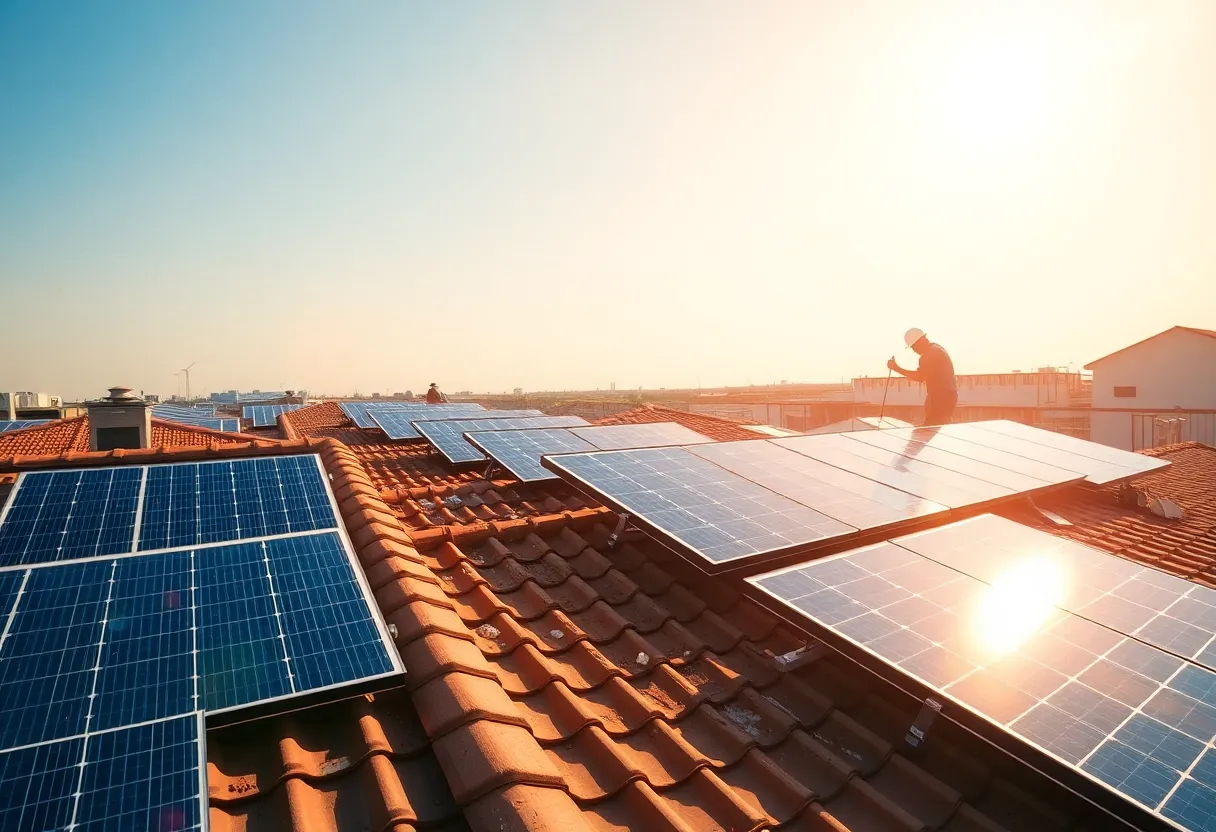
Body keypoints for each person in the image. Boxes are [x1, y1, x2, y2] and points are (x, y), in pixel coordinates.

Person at [887, 328, 957, 426]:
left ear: (920, 341)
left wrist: (897, 368)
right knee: (936, 426)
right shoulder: (937, 348)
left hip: (941, 396)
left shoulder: (930, 354)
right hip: (945, 395)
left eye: (914, 347)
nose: (915, 351)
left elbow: (920, 376)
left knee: (931, 428)